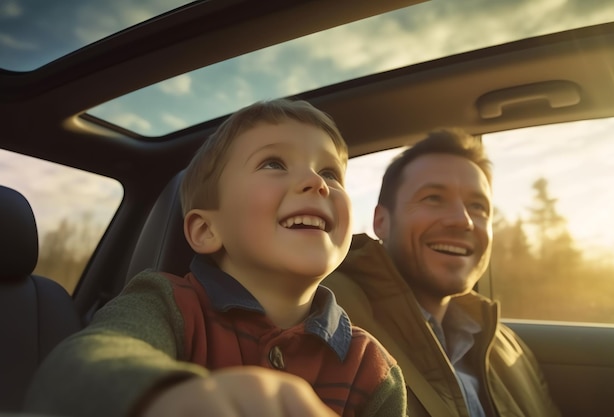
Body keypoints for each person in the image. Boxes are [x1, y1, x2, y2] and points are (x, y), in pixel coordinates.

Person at [24, 99, 406, 417]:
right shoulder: (167, 303)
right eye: (273, 163)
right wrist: (169, 398)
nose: (317, 182)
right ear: (207, 230)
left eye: (330, 172)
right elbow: (76, 368)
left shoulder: (371, 366)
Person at [324, 128, 561, 417]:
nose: (463, 221)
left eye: (477, 206)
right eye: (434, 198)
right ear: (381, 222)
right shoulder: (325, 316)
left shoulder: (509, 347)